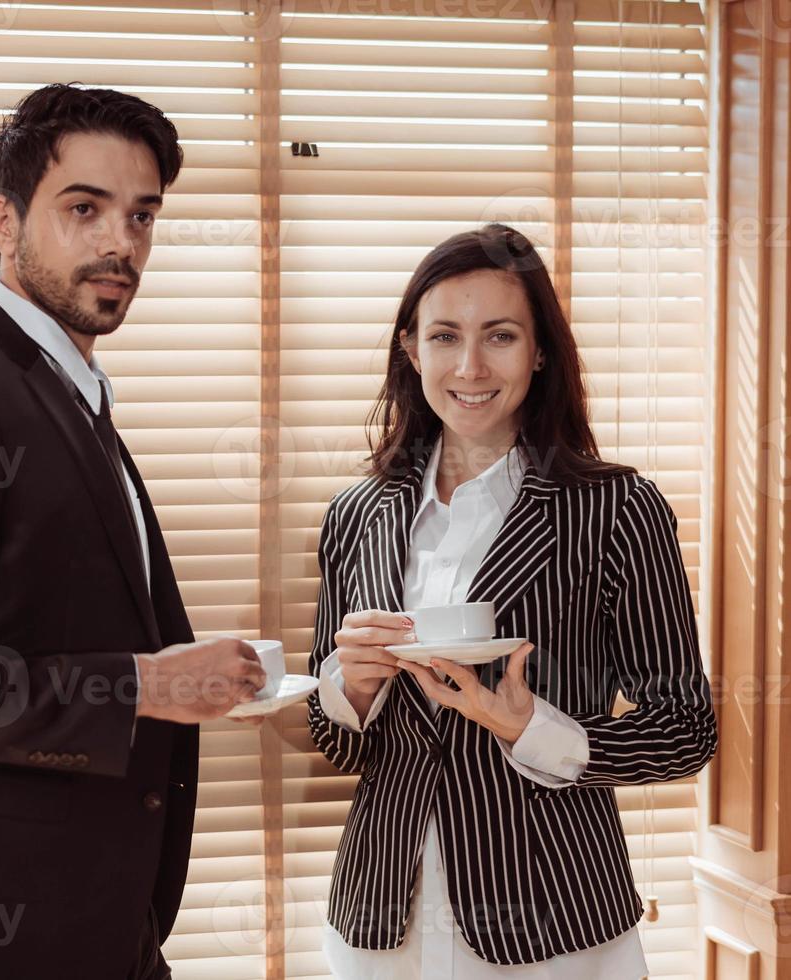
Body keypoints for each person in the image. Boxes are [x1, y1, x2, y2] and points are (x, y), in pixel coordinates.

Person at [0, 83, 268, 980]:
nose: (121, 243)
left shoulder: (67, 392)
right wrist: (141, 685)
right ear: (3, 221)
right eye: (84, 209)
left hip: (99, 918)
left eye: (141, 215)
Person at [306, 223, 718, 977]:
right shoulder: (356, 514)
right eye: (442, 336)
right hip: (379, 921)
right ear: (410, 349)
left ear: (538, 353)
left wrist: (534, 728)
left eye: (498, 335)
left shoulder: (616, 508)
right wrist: (351, 688)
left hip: (553, 920)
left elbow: (685, 730)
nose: (468, 366)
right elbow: (336, 743)